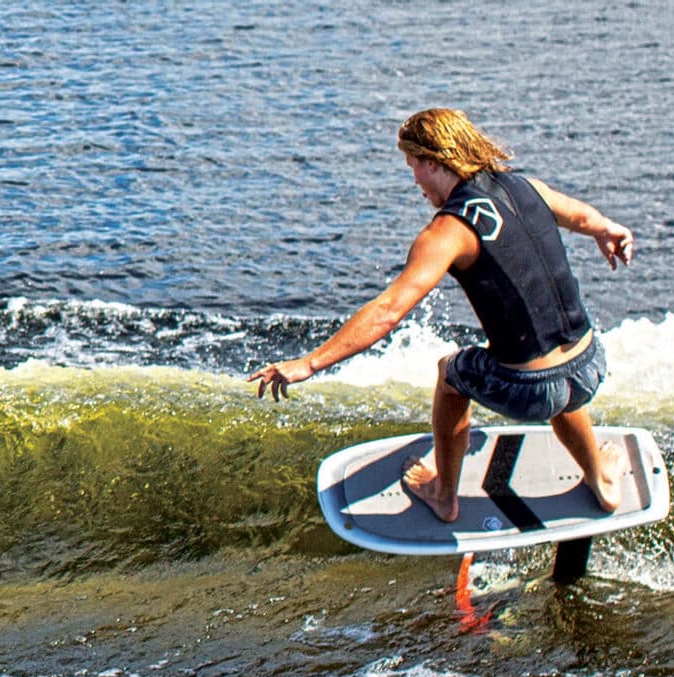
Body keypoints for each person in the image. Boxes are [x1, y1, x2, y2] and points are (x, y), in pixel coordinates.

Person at [249, 108, 634, 523]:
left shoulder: (449, 230)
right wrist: (608, 230)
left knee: (452, 375)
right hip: (591, 363)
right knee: (550, 364)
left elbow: (388, 311)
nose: (413, 177)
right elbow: (580, 215)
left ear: (433, 162)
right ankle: (599, 478)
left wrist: (309, 363)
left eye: (412, 164)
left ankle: (444, 494)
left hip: (532, 391)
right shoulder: (525, 188)